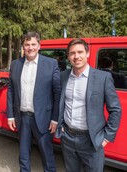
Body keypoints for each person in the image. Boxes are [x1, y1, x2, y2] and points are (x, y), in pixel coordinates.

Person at [55, 38, 122, 172]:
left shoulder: (103, 78)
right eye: (72, 53)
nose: (76, 56)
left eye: (80, 52)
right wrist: (60, 125)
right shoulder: (63, 76)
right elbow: (59, 102)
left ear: (88, 53)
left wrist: (107, 137)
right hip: (67, 137)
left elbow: (115, 109)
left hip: (91, 140)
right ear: (68, 56)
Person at [7, 31, 61, 172]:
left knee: (47, 154)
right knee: (23, 154)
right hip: (23, 117)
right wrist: (10, 115)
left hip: (43, 118)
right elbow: (11, 91)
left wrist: (55, 119)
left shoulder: (51, 64)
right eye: (27, 44)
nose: (30, 47)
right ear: (23, 47)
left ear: (39, 46)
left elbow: (57, 93)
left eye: (33, 44)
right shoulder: (15, 64)